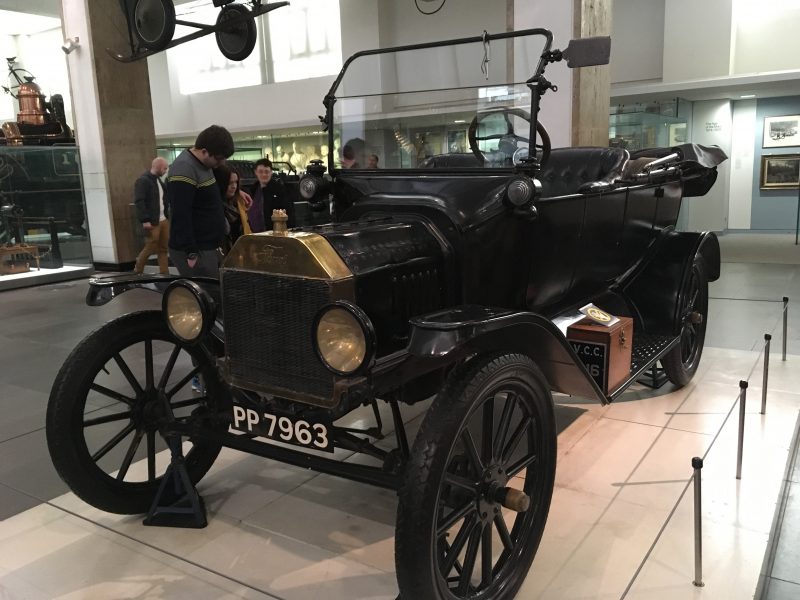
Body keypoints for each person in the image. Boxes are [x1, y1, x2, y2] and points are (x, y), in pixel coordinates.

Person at [167, 124, 234, 278]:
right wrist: (191, 252)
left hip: (208, 246)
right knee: (206, 294)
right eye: (218, 159)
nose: (220, 163)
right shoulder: (184, 168)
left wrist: (238, 192)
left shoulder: (204, 163)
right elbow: (180, 213)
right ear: (204, 152)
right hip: (197, 249)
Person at [133, 157, 170, 274]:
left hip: (163, 219)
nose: (166, 171)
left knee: (163, 248)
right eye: (164, 168)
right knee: (150, 246)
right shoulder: (143, 180)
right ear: (158, 167)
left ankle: (164, 272)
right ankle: (138, 270)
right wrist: (145, 219)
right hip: (153, 221)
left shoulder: (158, 180)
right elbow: (139, 201)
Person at [245, 158, 294, 233]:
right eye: (260, 172)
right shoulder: (253, 190)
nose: (264, 174)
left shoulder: (280, 189)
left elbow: (289, 212)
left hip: (274, 232)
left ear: (271, 172)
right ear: (256, 172)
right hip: (255, 233)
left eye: (266, 172)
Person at [215, 164, 251, 254]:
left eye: (236, 182)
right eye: (230, 183)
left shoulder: (239, 201)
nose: (234, 186)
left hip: (241, 250)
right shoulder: (215, 204)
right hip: (223, 251)